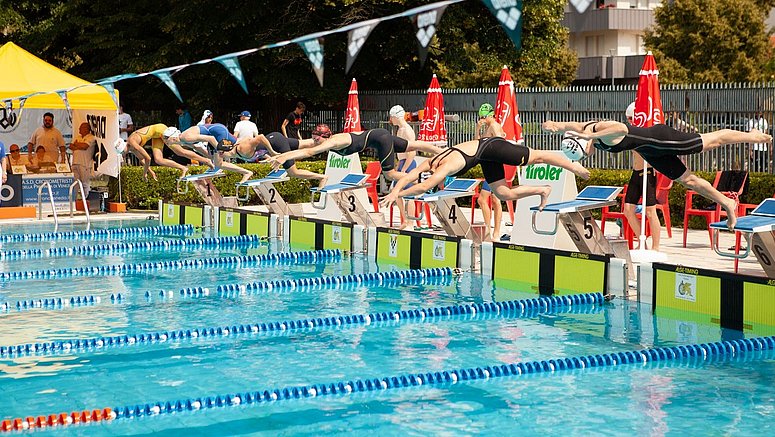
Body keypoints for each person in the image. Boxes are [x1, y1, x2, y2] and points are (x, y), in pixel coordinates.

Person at [541, 119, 773, 229]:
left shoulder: (599, 132)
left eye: (584, 153)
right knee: (688, 181)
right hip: (648, 150)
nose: (587, 155)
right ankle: (727, 204)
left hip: (658, 138)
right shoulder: (580, 130)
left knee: (712, 141)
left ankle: (751, 135)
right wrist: (553, 124)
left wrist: (591, 138)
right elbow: (566, 126)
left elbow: (621, 128)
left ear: (582, 143)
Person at [380, 137, 590, 216]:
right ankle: (543, 190)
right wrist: (396, 191)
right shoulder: (429, 162)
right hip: (484, 158)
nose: (434, 180)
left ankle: (574, 166)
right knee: (503, 193)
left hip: (492, 146)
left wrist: (399, 195)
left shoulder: (443, 167)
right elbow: (408, 176)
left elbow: (423, 187)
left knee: (538, 157)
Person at [622, 102, 661, 251]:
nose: (630, 122)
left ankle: (656, 247)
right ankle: (641, 241)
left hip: (648, 173)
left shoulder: (646, 132)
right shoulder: (631, 131)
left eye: (632, 118)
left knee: (651, 212)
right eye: (628, 119)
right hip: (636, 173)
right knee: (628, 210)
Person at [229, 129, 327, 185]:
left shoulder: (243, 148)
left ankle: (321, 177)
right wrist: (269, 156)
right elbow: (260, 151)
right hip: (276, 139)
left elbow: (261, 137)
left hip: (276, 142)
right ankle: (329, 140)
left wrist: (273, 152)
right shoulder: (232, 151)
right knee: (306, 143)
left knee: (293, 172)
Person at [162, 123, 253, 183]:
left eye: (166, 138)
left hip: (218, 132)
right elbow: (196, 147)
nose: (165, 141)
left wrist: (220, 150)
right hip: (213, 134)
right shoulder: (182, 141)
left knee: (224, 158)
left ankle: (247, 172)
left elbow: (211, 139)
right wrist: (210, 159)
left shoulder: (186, 137)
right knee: (218, 161)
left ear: (172, 137)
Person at [126, 123, 213, 180]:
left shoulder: (132, 142)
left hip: (160, 130)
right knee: (158, 160)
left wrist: (144, 173)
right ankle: (183, 168)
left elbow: (148, 158)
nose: (123, 155)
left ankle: (206, 160)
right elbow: (143, 160)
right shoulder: (131, 149)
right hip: (156, 137)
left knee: (180, 152)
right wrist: (151, 172)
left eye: (122, 153)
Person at [474, 103, 508, 241]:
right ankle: (491, 231)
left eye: (483, 117)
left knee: (487, 199)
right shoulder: (488, 127)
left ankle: (493, 232)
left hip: (495, 166)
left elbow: (501, 144)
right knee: (492, 200)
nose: (482, 119)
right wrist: (477, 128)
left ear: (489, 115)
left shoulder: (494, 125)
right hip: (489, 166)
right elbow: (477, 144)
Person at [388, 104, 420, 229]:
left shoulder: (407, 130)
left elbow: (412, 152)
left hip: (409, 163)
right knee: (395, 192)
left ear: (396, 117)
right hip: (402, 163)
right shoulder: (400, 130)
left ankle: (410, 223)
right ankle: (406, 220)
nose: (391, 120)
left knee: (408, 194)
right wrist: (398, 166)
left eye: (391, 117)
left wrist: (404, 169)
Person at [69, 122, 97, 196]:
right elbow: (71, 146)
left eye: (81, 128)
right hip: (75, 162)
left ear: (86, 129)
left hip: (85, 164)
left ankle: (86, 199)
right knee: (75, 183)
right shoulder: (77, 137)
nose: (79, 129)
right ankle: (74, 200)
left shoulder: (91, 137)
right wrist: (79, 145)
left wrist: (77, 144)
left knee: (85, 183)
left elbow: (85, 146)